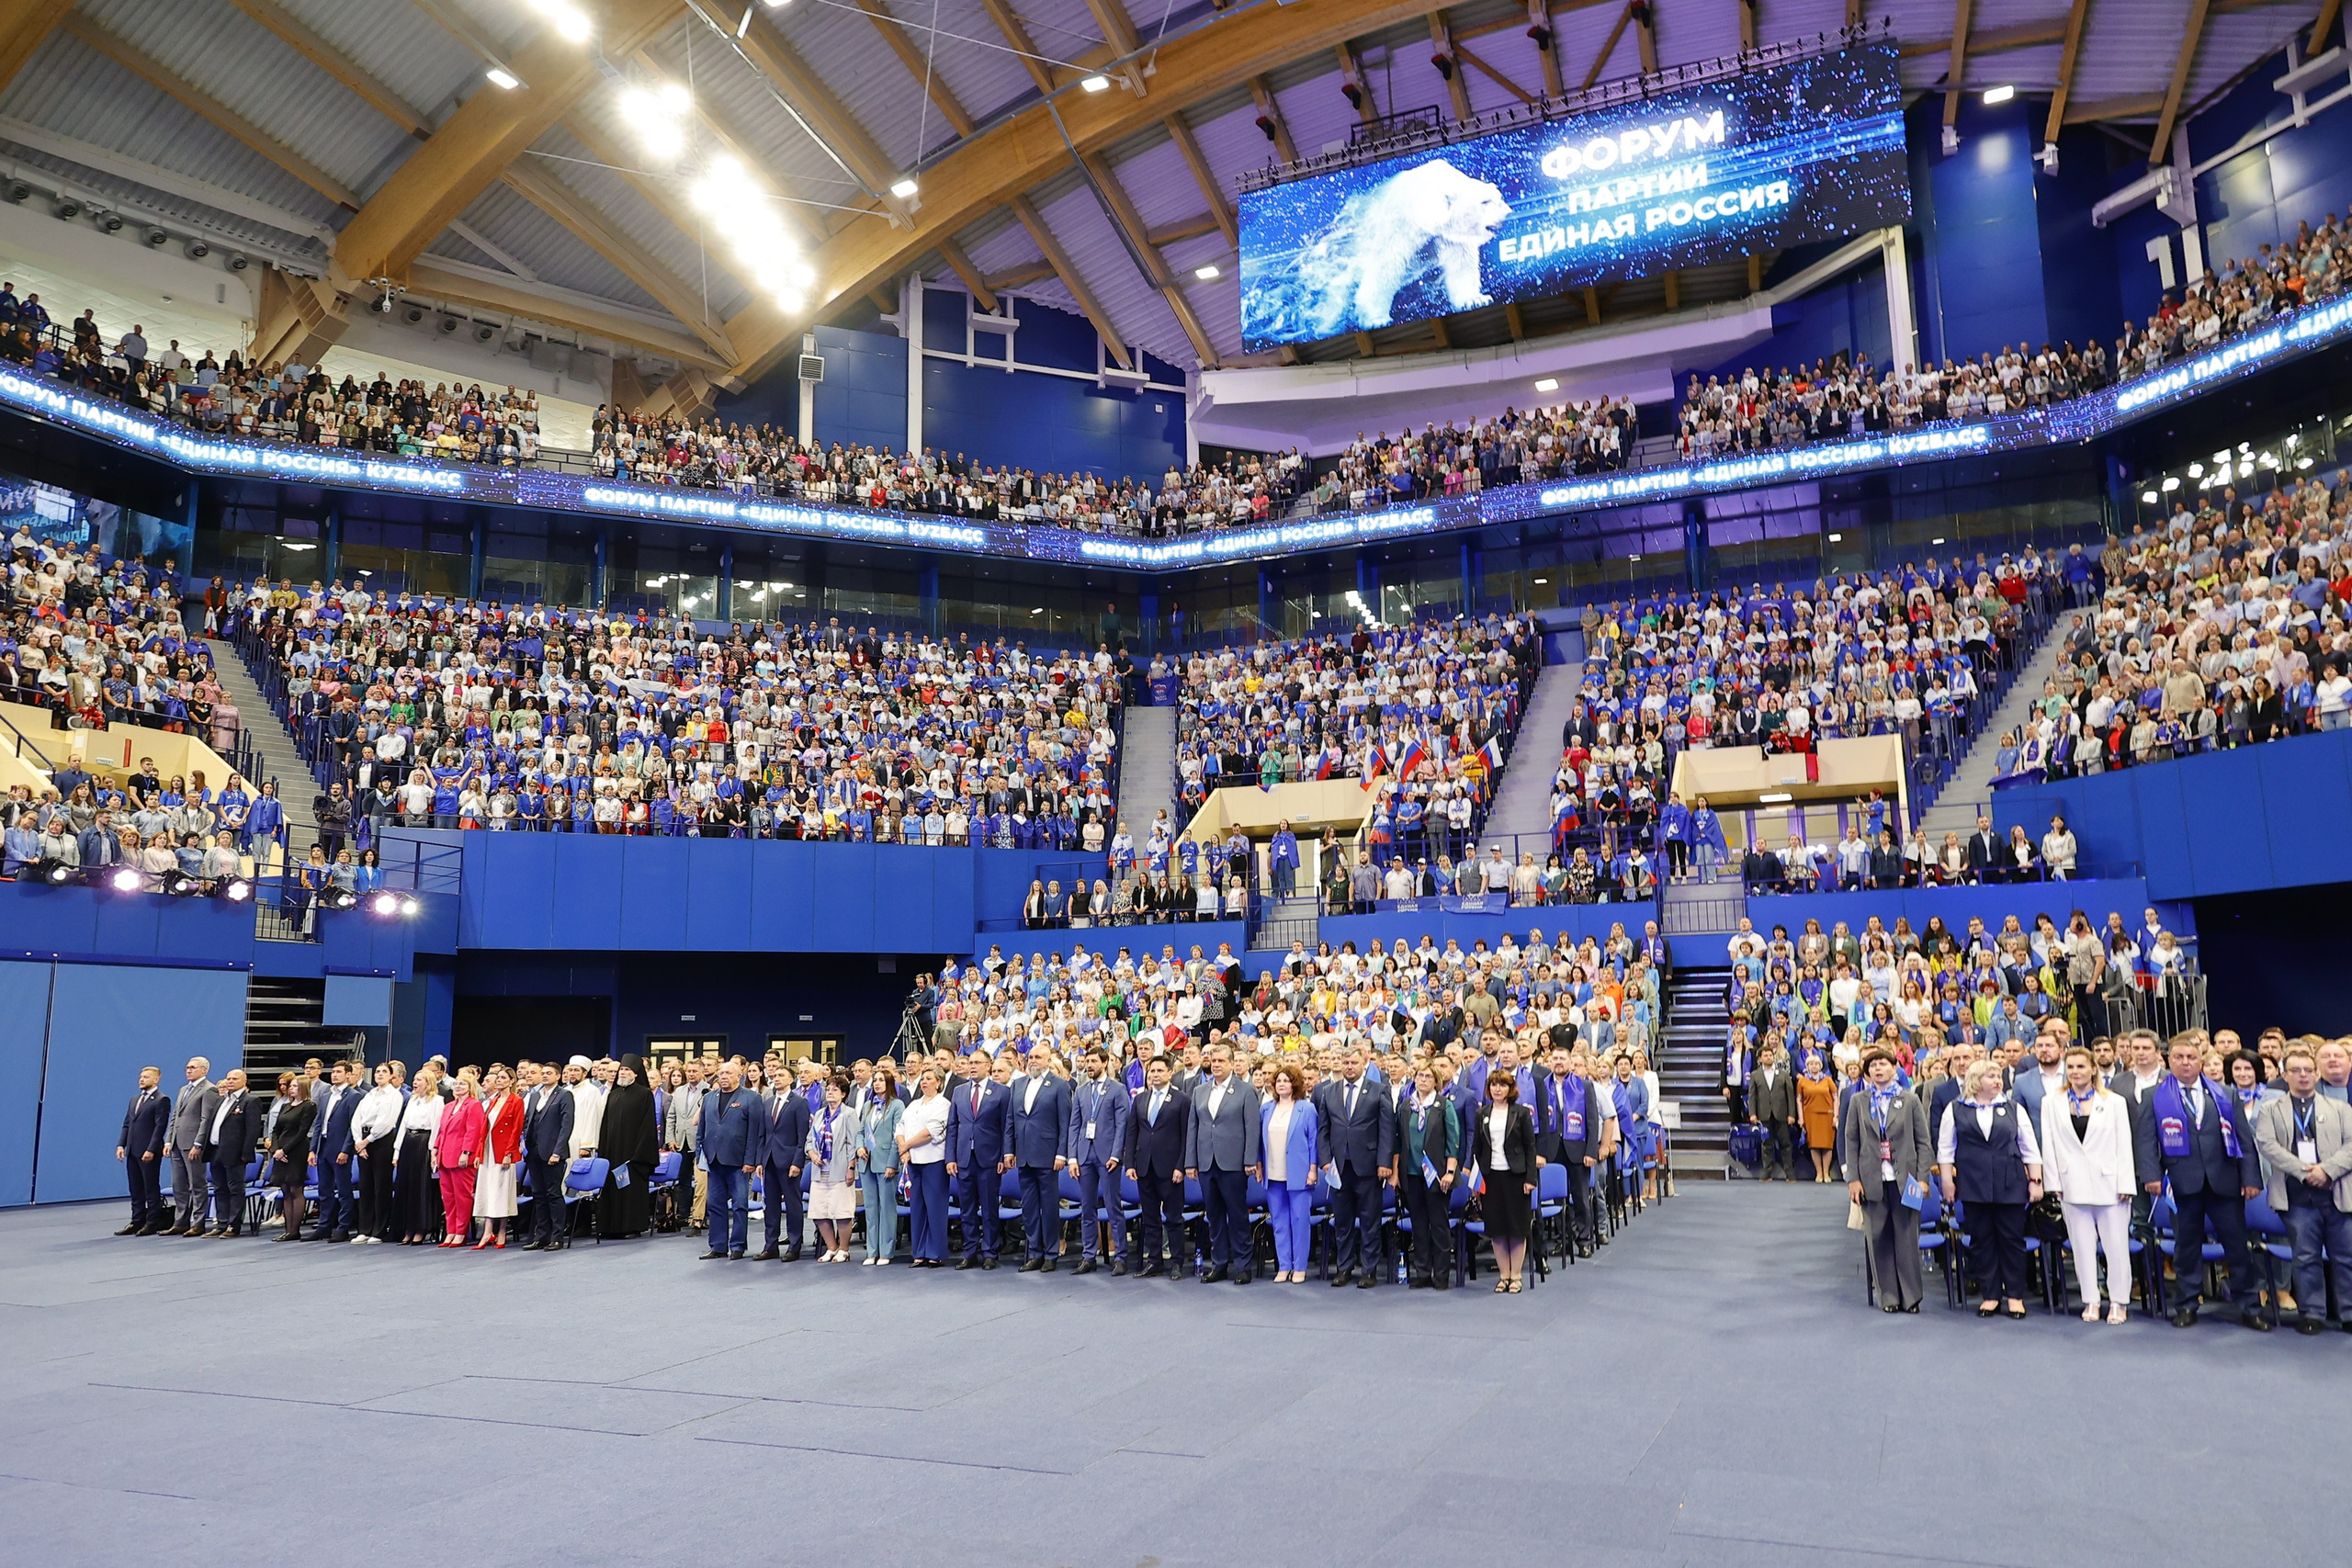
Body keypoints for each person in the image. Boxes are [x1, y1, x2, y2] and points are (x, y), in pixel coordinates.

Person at [2133, 1035, 2268, 1330]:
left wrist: (2251, 1178)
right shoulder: (2153, 1096)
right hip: (2181, 1184)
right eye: (2179, 1057)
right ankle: (2186, 1305)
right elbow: (2145, 1142)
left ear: (2201, 1061)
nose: (2185, 1063)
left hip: (2225, 1183)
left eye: (2191, 1058)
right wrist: (2152, 1176)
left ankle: (2250, 1307)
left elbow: (2245, 1141)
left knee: (2237, 1249)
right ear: (2168, 1061)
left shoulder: (2224, 1094)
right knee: (2186, 1249)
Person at [2251, 1045, 2352, 1335]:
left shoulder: (2341, 1109)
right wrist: (2304, 1172)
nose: (2303, 1076)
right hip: (2297, 1197)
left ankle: (2348, 1313)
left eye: (2308, 1070)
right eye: (2296, 1071)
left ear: (2317, 1074)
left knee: (2346, 1258)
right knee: (2305, 1258)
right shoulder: (2271, 1109)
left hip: (2337, 1193)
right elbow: (2267, 1145)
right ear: (2286, 1075)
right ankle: (2313, 1313)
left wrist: (2327, 1170)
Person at [1937, 1060, 2043, 1318]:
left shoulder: (2013, 1108)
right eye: (1991, 1076)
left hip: (2011, 1182)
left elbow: (2029, 1146)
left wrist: (2036, 1180)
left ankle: (2015, 1296)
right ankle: (1991, 1295)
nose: (1998, 1080)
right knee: (1982, 1241)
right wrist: (1947, 1181)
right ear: (1975, 1080)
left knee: (2012, 1240)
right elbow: (1945, 1149)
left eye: (1999, 1076)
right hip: (1973, 1183)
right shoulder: (1955, 1108)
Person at [2038, 1045, 2137, 1323]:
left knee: (2116, 1246)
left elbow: (2124, 1145)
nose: (2075, 1072)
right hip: (2071, 1184)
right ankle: (2091, 1299)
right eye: (2070, 1067)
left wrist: (2125, 1184)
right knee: (2081, 1247)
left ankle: (2118, 1301)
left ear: (2093, 1069)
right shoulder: (2052, 1102)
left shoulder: (2114, 1102)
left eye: (2081, 1067)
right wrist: (2053, 1180)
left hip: (2111, 1183)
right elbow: (2050, 1144)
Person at [1843, 1050, 1933, 1312]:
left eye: (1883, 1064)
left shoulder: (1909, 1100)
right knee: (1879, 1238)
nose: (1878, 1069)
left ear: (1895, 1068)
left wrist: (1924, 1178)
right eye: (1872, 1065)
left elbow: (1923, 1142)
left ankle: (1911, 1297)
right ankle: (1889, 1296)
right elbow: (1851, 1140)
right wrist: (1853, 1179)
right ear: (1867, 1072)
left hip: (1906, 1180)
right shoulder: (1859, 1101)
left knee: (1907, 1239)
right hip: (1872, 1179)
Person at [1312, 1043, 1393, 1288]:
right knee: (1343, 1221)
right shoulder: (1330, 1091)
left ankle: (1369, 1271)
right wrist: (1325, 1160)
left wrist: (1384, 1162)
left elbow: (1387, 1130)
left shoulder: (1379, 1090)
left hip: (1369, 1167)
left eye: (1353, 1063)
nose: (1349, 1067)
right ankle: (1344, 1268)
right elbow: (1323, 1129)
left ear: (1363, 1064)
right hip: (1338, 1168)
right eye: (1345, 1063)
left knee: (1370, 1221)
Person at [1184, 1043, 1261, 1283]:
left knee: (1238, 1216)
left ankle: (1243, 1265)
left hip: (1234, 1164)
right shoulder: (1200, 1091)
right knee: (1214, 1217)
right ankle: (1218, 1264)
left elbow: (1252, 1128)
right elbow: (1193, 1128)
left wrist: (1250, 1159)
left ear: (1231, 1063)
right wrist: (1191, 1162)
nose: (1216, 1064)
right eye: (1213, 1060)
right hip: (1207, 1162)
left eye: (1221, 1061)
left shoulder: (1246, 1091)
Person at [1123, 1053, 1190, 1278]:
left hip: (1170, 1169)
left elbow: (1186, 1136)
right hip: (1144, 1167)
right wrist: (1129, 1162)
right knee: (1150, 1218)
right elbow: (1132, 1132)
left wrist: (1181, 1166)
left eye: (1160, 1070)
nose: (1155, 1074)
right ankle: (1154, 1261)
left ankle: (1177, 1262)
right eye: (1152, 1071)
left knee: (1173, 1218)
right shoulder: (1141, 1099)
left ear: (1170, 1073)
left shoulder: (1181, 1100)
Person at [1471, 1069, 1537, 1292]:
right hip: (1491, 1177)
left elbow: (1530, 1147)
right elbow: (1477, 1148)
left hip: (1516, 1177)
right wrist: (1476, 1181)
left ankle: (1516, 1276)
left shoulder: (1521, 1113)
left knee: (1516, 1229)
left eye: (1502, 1085)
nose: (1497, 1089)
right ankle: (1503, 1275)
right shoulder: (1482, 1114)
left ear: (1511, 1089)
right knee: (1497, 1229)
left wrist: (1530, 1179)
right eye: (1493, 1085)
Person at [1396, 1064, 1461, 1289]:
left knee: (1439, 1225)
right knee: (1419, 1225)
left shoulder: (1444, 1106)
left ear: (1436, 1081)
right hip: (1412, 1174)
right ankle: (1422, 1271)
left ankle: (1441, 1274)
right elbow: (1398, 1141)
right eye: (1419, 1075)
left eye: (1428, 1076)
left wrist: (1450, 1171)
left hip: (1437, 1175)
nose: (1423, 1079)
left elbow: (1454, 1141)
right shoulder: (1406, 1106)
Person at [1066, 1046, 1129, 1275]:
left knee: (1113, 1207)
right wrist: (1072, 1157)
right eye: (1086, 1061)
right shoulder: (1082, 1091)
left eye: (1093, 1061)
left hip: (1108, 1157)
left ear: (1104, 1063)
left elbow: (1122, 1124)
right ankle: (1088, 1256)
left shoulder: (1118, 1089)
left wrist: (1116, 1154)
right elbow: (1074, 1125)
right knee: (1087, 1207)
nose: (1089, 1065)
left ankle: (1120, 1256)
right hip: (1084, 1155)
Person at [1008, 1048, 1071, 1271]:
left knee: (1049, 1208)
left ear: (1048, 1060)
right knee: (1029, 1208)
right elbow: (1011, 1121)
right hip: (1023, 1156)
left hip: (1048, 1156)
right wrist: (1009, 1151)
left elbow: (1066, 1124)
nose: (1033, 1061)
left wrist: (1062, 1153)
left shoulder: (1060, 1086)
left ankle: (1051, 1254)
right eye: (1031, 1057)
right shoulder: (1018, 1084)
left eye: (1038, 1057)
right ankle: (1034, 1253)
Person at [946, 1056, 1011, 1269]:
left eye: (977, 1063)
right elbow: (953, 1126)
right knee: (967, 1208)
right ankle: (970, 1251)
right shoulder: (959, 1091)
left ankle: (990, 1252)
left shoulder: (1001, 1092)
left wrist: (1004, 1155)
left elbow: (1005, 1128)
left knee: (990, 1207)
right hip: (964, 1158)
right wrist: (951, 1158)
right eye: (970, 1063)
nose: (972, 1067)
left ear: (988, 1065)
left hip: (990, 1159)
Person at [1261, 1064, 1318, 1282]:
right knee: (1279, 1222)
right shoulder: (1267, 1108)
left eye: (1286, 1080)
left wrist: (1313, 1169)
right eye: (1278, 1081)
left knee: (1299, 1221)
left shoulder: (1306, 1108)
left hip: (1299, 1173)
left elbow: (1313, 1141)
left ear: (1294, 1084)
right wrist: (1259, 1165)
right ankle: (1284, 1266)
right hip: (1273, 1173)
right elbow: (1261, 1141)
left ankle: (1300, 1267)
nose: (1281, 1084)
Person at [697, 1062, 761, 1260]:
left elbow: (755, 1133)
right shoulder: (708, 1098)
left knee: (740, 1205)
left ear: (739, 1075)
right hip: (714, 1161)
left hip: (739, 1163)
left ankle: (738, 1246)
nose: (723, 1076)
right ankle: (718, 1245)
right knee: (715, 1204)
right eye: (721, 1073)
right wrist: (701, 1152)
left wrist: (750, 1160)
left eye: (728, 1073)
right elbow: (702, 1129)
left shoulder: (752, 1098)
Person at [596, 1055, 658, 1240]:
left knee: (630, 1190)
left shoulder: (644, 1094)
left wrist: (638, 1154)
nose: (623, 1073)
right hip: (612, 1152)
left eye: (627, 1070)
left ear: (636, 1074)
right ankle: (610, 1227)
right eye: (621, 1070)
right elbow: (606, 1124)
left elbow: (647, 1127)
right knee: (611, 1189)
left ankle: (632, 1226)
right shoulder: (613, 1094)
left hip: (633, 1155)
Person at [897, 1067, 951, 1266]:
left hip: (933, 1161)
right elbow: (900, 1127)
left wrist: (906, 1145)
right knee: (917, 1207)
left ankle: (936, 1253)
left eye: (929, 1079)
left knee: (935, 1208)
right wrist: (904, 1149)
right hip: (913, 1162)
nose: (924, 1082)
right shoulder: (913, 1104)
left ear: (938, 1082)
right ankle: (919, 1253)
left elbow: (931, 1132)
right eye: (923, 1079)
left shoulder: (943, 1104)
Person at [198, 1068, 258, 1239]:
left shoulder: (250, 1101)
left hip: (235, 1153)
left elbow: (252, 1130)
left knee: (235, 1189)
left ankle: (233, 1225)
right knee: (220, 1189)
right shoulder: (221, 1100)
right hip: (216, 1150)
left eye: (234, 1079)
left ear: (244, 1082)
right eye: (228, 1078)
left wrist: (246, 1153)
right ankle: (222, 1223)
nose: (230, 1081)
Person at [519, 1062, 575, 1250]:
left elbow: (566, 1126)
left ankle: (557, 1236)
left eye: (549, 1073)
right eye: (543, 1073)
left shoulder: (564, 1095)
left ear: (558, 1076)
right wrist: (524, 1144)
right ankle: (541, 1235)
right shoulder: (534, 1096)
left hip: (552, 1153)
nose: (544, 1076)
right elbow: (528, 1122)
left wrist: (557, 1152)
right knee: (538, 1195)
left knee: (553, 1194)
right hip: (533, 1152)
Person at [164, 1056, 219, 1235]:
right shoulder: (183, 1089)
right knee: (178, 1184)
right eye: (187, 1067)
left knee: (197, 1184)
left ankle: (198, 1222)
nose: (188, 1070)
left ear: (204, 1070)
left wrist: (198, 1143)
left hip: (193, 1143)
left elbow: (206, 1119)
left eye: (193, 1068)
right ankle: (180, 1222)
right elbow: (175, 1116)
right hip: (177, 1143)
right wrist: (169, 1140)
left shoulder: (209, 1089)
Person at [350, 1063, 405, 1244]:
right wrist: (359, 1141)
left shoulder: (394, 1095)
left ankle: (379, 1230)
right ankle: (364, 1229)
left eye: (384, 1072)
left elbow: (386, 1122)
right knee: (365, 1186)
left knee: (381, 1186)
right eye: (377, 1072)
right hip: (363, 1141)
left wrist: (367, 1140)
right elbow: (357, 1118)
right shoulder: (370, 1094)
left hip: (381, 1141)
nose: (380, 1075)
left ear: (391, 1076)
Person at [805, 1076, 858, 1261]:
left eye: (835, 1090)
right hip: (820, 1170)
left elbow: (853, 1142)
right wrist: (812, 1154)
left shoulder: (849, 1114)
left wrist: (851, 1167)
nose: (830, 1092)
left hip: (841, 1168)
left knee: (841, 1211)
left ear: (843, 1094)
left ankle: (844, 1249)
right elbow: (809, 1139)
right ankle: (831, 1248)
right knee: (819, 1212)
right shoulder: (820, 1114)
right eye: (828, 1089)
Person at [854, 1063, 902, 1264]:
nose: (877, 1084)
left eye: (881, 1080)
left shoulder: (897, 1105)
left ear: (889, 1083)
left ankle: (886, 1251)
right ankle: (871, 1251)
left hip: (886, 1164)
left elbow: (897, 1136)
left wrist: (892, 1164)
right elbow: (859, 1132)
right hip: (867, 1163)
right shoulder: (868, 1106)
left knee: (887, 1208)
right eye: (875, 1081)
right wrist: (859, 1147)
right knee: (871, 1208)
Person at [473, 1065, 525, 1249]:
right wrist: (479, 1152)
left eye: (503, 1078)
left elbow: (516, 1129)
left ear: (511, 1081)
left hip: (503, 1152)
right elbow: (484, 1129)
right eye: (498, 1078)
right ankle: (488, 1231)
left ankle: (501, 1230)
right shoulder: (493, 1101)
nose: (500, 1081)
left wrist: (509, 1153)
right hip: (488, 1150)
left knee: (501, 1190)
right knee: (487, 1189)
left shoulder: (516, 1101)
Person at [431, 1073, 485, 1247]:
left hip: (461, 1156)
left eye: (463, 1084)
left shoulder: (474, 1105)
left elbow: (473, 1130)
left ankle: (461, 1232)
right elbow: (442, 1131)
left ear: (470, 1087)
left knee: (462, 1196)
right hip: (444, 1155)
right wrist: (436, 1149)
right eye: (457, 1084)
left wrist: (466, 1152)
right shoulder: (449, 1106)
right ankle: (451, 1230)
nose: (459, 1086)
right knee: (448, 1197)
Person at [309, 1061, 360, 1242]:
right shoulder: (325, 1095)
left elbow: (353, 1126)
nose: (334, 1075)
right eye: (333, 1072)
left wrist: (346, 1149)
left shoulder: (353, 1096)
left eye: (339, 1072)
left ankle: (343, 1227)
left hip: (339, 1148)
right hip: (323, 1145)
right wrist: (312, 1149)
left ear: (348, 1075)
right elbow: (319, 1123)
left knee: (344, 1190)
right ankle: (324, 1226)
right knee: (325, 1189)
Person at [115, 1065, 168, 1235]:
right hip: (132, 1150)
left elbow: (160, 1128)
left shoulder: (161, 1100)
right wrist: (121, 1145)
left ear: (156, 1079)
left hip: (148, 1152)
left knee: (150, 1188)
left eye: (146, 1077)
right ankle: (137, 1221)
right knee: (135, 1188)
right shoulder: (134, 1099)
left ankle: (152, 1221)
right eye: (141, 1076)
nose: (141, 1079)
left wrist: (151, 1149)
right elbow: (127, 1124)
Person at [265, 1071, 316, 1242]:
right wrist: (276, 1150)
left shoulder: (309, 1106)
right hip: (280, 1151)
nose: (291, 1089)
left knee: (295, 1189)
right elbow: (275, 1130)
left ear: (302, 1088)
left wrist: (284, 1150)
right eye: (291, 1086)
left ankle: (295, 1230)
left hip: (296, 1150)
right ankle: (288, 1229)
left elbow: (302, 1132)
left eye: (294, 1086)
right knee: (285, 1189)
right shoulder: (286, 1106)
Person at [1749, 1041, 1797, 1180]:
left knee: (1785, 1144)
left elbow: (1790, 1096)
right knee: (1766, 1145)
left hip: (1781, 1114)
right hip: (1763, 1114)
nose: (1769, 1057)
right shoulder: (1755, 1075)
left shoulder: (1783, 1074)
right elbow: (1753, 1096)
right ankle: (1766, 1173)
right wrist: (1752, 1114)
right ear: (1760, 1059)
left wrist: (1791, 1114)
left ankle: (1790, 1173)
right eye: (1766, 1055)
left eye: (1771, 1055)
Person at [1796, 1051, 1838, 1182]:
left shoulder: (1828, 1080)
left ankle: (1826, 1173)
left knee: (1827, 1145)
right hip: (1810, 1115)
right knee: (1814, 1145)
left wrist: (1836, 1116)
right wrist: (1801, 1118)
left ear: (1821, 1066)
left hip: (1827, 1115)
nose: (1814, 1066)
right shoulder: (1802, 1081)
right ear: (1807, 1066)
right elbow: (1799, 1099)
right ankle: (1818, 1173)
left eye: (1816, 1064)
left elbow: (1835, 1097)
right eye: (1811, 1064)